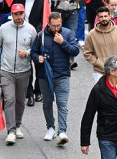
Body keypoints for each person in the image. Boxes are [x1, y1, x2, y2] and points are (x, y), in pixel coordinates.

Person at [0, 4, 37, 145]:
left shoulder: (30, 29)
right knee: (9, 99)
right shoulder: (4, 28)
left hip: (24, 71)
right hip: (6, 71)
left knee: (20, 100)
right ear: (12, 14)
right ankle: (11, 131)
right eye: (16, 14)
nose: (18, 17)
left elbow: (35, 49)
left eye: (21, 14)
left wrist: (27, 53)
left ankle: (18, 124)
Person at [31, 12, 81, 144]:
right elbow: (33, 52)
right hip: (45, 75)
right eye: (54, 26)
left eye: (59, 25)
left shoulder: (68, 34)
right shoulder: (41, 36)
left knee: (62, 104)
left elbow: (75, 51)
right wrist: (38, 58)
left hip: (62, 74)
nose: (56, 28)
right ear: (48, 24)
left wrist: (63, 42)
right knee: (47, 103)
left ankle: (62, 131)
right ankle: (50, 128)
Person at [84, 7, 117, 82]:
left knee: (116, 93)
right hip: (99, 71)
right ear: (98, 18)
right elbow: (87, 53)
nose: (103, 19)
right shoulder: (91, 34)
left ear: (110, 16)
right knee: (101, 93)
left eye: (105, 16)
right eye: (101, 16)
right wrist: (98, 62)